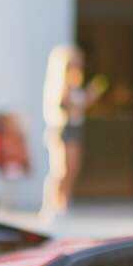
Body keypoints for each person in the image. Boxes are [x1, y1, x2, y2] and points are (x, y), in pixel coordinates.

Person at [41, 43, 105, 222]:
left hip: (76, 129)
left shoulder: (76, 84)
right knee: (61, 170)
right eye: (75, 63)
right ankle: (51, 206)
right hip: (63, 129)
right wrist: (88, 98)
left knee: (72, 169)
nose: (78, 67)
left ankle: (63, 204)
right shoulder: (61, 85)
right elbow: (70, 107)